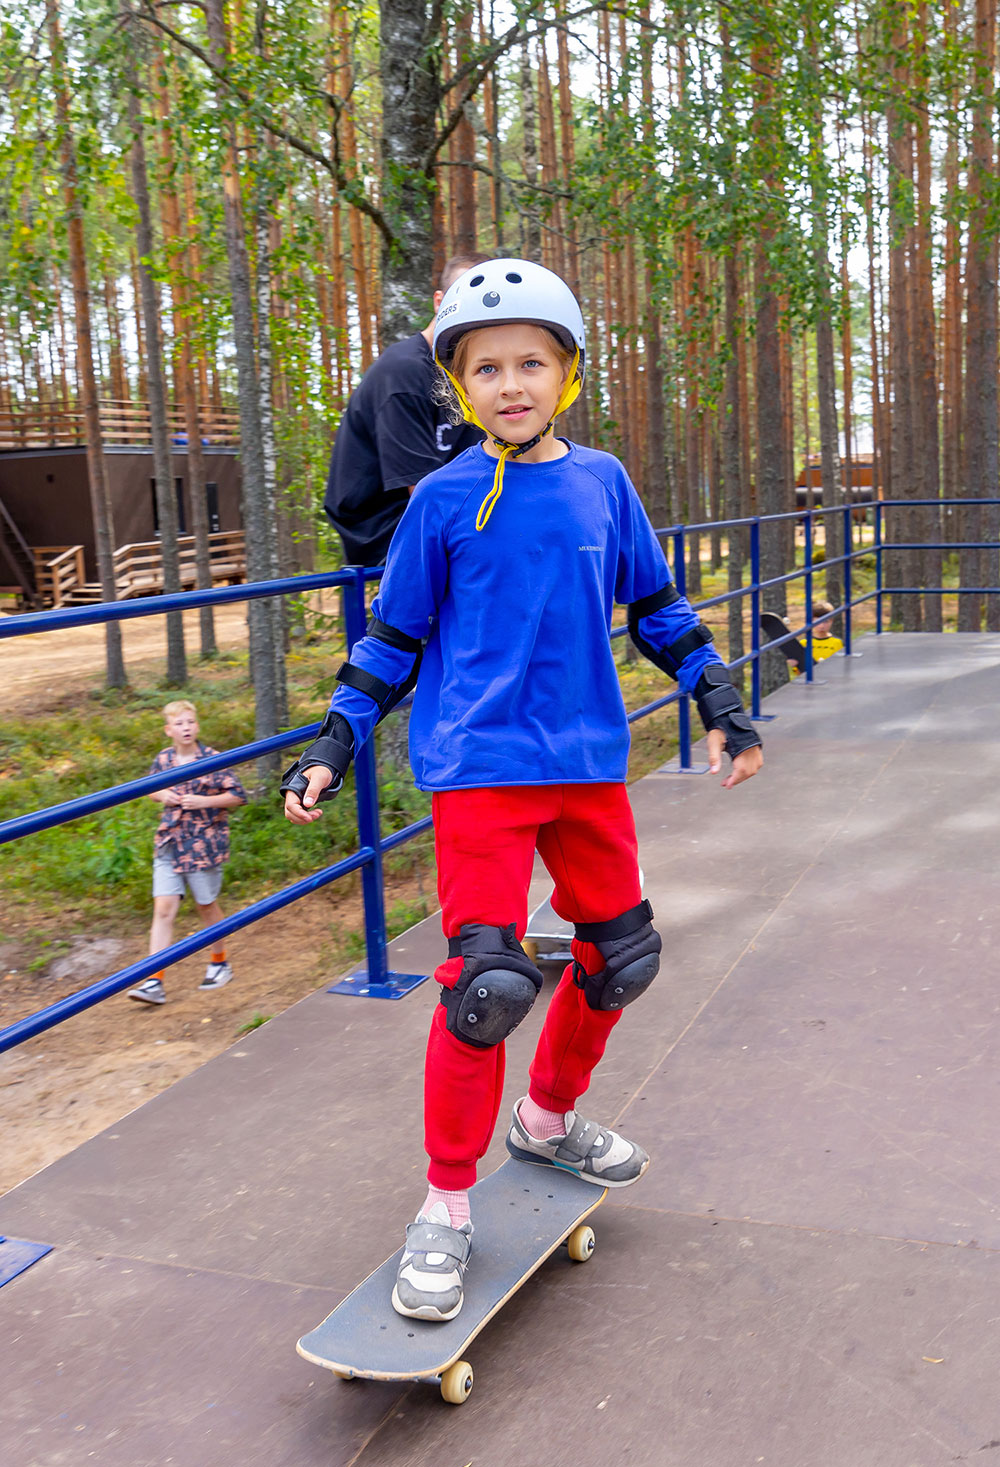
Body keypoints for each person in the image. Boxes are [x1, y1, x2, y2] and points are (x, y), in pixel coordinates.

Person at [282, 259, 763, 1321]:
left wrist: (720, 701)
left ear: (566, 374)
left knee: (619, 958)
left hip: (587, 764)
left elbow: (657, 606)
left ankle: (547, 1122)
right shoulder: (443, 500)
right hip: (480, 771)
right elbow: (393, 636)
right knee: (485, 985)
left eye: (530, 363)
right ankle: (444, 1209)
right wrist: (334, 741)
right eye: (485, 367)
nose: (510, 383)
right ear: (458, 384)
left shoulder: (603, 483)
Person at [323, 253, 490, 566]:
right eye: (466, 299)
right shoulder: (404, 374)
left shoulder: (472, 375)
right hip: (383, 529)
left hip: (442, 515)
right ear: (439, 301)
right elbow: (426, 494)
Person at [128, 700, 247, 1005]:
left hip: (203, 845)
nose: (186, 728)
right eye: (179, 724)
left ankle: (220, 963)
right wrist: (161, 794)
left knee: (206, 905)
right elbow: (150, 786)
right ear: (168, 730)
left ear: (198, 726)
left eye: (190, 723)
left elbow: (237, 795)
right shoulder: (164, 759)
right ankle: (153, 980)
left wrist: (202, 802)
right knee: (163, 908)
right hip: (169, 842)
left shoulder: (213, 758)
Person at [801, 599, 844, 663]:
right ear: (811, 621)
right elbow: (800, 670)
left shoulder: (838, 643)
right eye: (818, 622)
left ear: (831, 621)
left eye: (826, 622)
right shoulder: (804, 643)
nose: (821, 626)